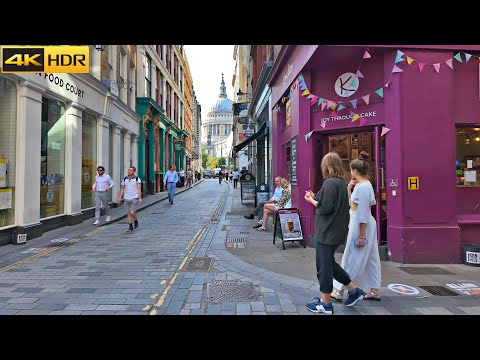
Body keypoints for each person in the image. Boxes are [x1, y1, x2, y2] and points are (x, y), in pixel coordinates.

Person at [304, 152, 366, 314]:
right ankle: (354, 290)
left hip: (327, 232)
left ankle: (325, 303)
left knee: (323, 267)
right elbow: (332, 205)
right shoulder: (340, 183)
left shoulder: (330, 183)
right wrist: (315, 197)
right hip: (336, 231)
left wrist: (311, 200)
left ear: (327, 166)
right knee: (330, 264)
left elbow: (324, 208)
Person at [331, 151, 382, 302]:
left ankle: (338, 290)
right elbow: (355, 206)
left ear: (354, 171)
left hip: (360, 225)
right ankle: (374, 290)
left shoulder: (363, 188)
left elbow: (362, 213)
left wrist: (361, 235)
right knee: (372, 257)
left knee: (350, 257)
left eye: (351, 169)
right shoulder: (364, 185)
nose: (350, 172)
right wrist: (349, 188)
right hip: (363, 224)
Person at [117, 166, 142, 232]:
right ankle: (130, 226)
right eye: (128, 170)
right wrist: (120, 197)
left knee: (132, 212)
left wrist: (140, 198)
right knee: (128, 213)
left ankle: (135, 220)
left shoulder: (137, 179)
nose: (129, 171)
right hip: (126, 198)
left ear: (134, 171)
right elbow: (122, 189)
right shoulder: (125, 179)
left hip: (134, 197)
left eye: (131, 170)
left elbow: (139, 189)